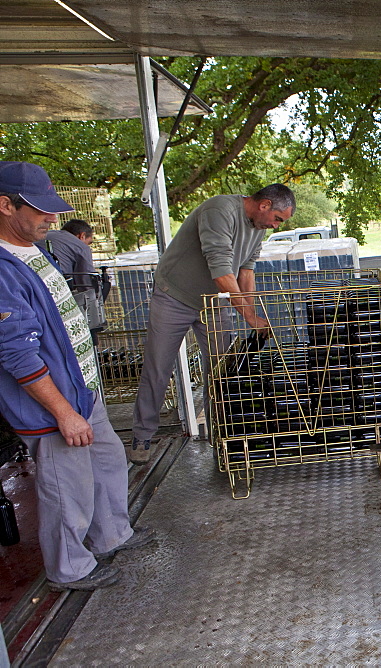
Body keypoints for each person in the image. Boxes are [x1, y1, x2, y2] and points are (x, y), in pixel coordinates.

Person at [0, 161, 154, 591]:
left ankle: (112, 534)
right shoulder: (1, 268)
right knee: (68, 488)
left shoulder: (34, 248)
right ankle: (70, 568)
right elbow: (17, 353)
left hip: (81, 390)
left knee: (107, 462)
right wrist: (64, 413)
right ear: (5, 206)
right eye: (41, 209)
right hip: (53, 406)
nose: (53, 217)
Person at [130, 184, 295, 463]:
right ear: (265, 205)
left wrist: (252, 317)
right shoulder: (219, 210)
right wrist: (250, 317)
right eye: (278, 219)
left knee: (221, 370)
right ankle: (142, 436)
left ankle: (220, 436)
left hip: (214, 302)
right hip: (175, 296)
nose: (276, 226)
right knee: (159, 368)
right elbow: (221, 271)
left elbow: (246, 272)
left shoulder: (258, 227)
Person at [40, 218, 95, 290]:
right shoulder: (81, 246)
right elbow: (86, 281)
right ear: (82, 236)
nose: (87, 246)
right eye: (88, 243)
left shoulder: (43, 236)